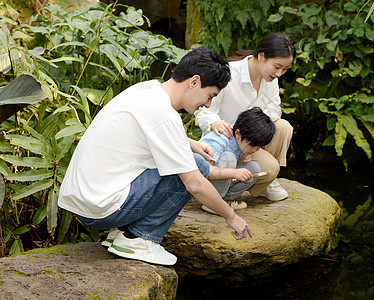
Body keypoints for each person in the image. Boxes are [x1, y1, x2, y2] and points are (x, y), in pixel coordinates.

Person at [58, 46, 253, 266]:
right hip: (102, 207)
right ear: (194, 81)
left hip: (88, 200)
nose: (207, 105)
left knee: (189, 158)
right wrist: (231, 216)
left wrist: (189, 143)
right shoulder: (163, 114)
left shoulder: (147, 91)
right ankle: (138, 238)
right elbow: (195, 185)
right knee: (196, 167)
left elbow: (147, 131)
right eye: (210, 96)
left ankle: (122, 232)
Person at [194, 33, 296, 203]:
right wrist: (214, 123)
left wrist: (256, 134)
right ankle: (259, 179)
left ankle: (266, 183)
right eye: (277, 66)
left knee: (283, 127)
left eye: (284, 69)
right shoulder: (230, 73)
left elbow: (274, 110)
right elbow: (204, 110)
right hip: (227, 142)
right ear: (262, 56)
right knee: (270, 167)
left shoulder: (271, 79)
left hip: (251, 140)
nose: (279, 73)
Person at [198, 107, 276, 214]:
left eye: (259, 147)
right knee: (228, 158)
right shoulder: (220, 139)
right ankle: (213, 203)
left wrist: (242, 158)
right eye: (253, 145)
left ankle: (227, 199)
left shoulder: (238, 143)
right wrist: (234, 172)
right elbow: (204, 170)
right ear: (238, 133)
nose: (255, 150)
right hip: (198, 182)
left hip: (214, 180)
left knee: (254, 168)